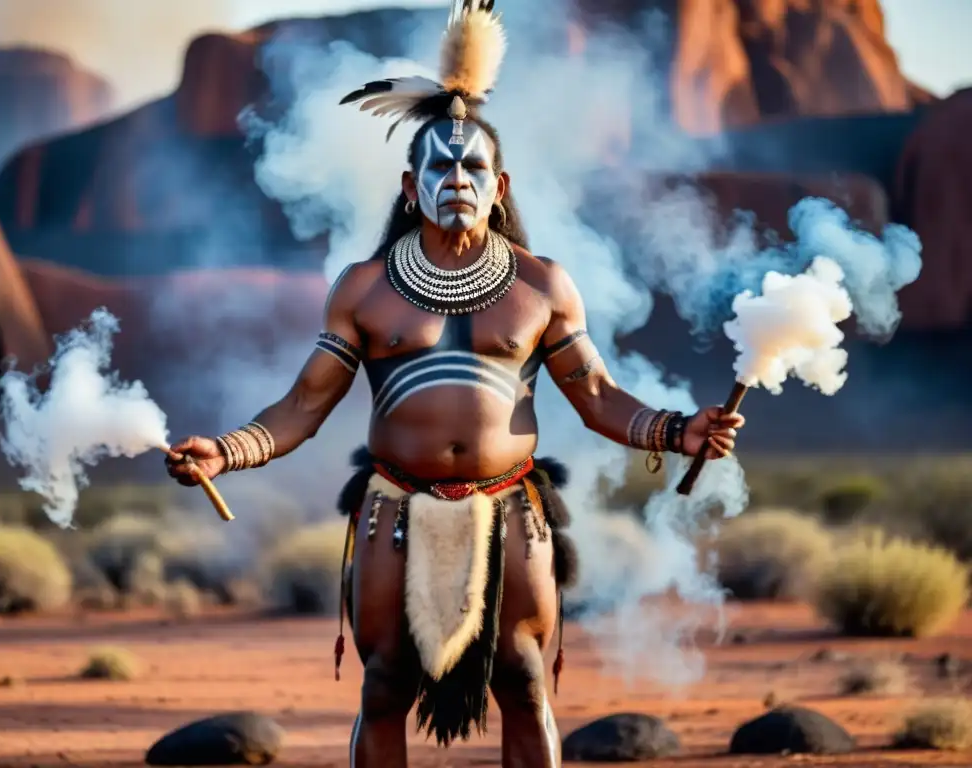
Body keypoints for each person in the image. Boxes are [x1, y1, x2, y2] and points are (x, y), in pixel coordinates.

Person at [165, 3, 744, 766]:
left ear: (499, 184)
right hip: (394, 508)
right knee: (383, 686)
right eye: (440, 165)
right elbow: (305, 405)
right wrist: (227, 452)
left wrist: (678, 431)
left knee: (525, 681)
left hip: (510, 508)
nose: (457, 178)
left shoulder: (543, 286)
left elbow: (597, 396)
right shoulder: (364, 289)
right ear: (411, 186)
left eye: (473, 166)